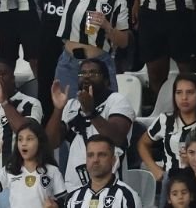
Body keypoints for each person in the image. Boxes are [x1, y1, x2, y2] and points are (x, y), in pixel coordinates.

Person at [46, 59, 135, 192]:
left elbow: (116, 137)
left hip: (112, 188)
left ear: (106, 80)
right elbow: (51, 143)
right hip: (76, 188)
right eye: (82, 74)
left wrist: (90, 112)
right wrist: (58, 109)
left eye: (93, 73)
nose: (87, 76)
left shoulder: (117, 100)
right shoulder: (72, 106)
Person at [137, 74, 196, 183]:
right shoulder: (164, 120)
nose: (184, 98)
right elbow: (142, 144)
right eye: (179, 93)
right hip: (171, 183)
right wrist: (155, 169)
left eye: (190, 92)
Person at [0, 121, 65, 208]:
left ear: (40, 142)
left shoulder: (52, 170)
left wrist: (55, 205)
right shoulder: (11, 168)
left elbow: (64, 201)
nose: (23, 143)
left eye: (29, 139)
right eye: (20, 139)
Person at [60, 136, 141, 208]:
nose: (95, 160)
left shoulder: (127, 196)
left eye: (102, 155)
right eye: (90, 155)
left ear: (113, 160)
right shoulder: (73, 198)